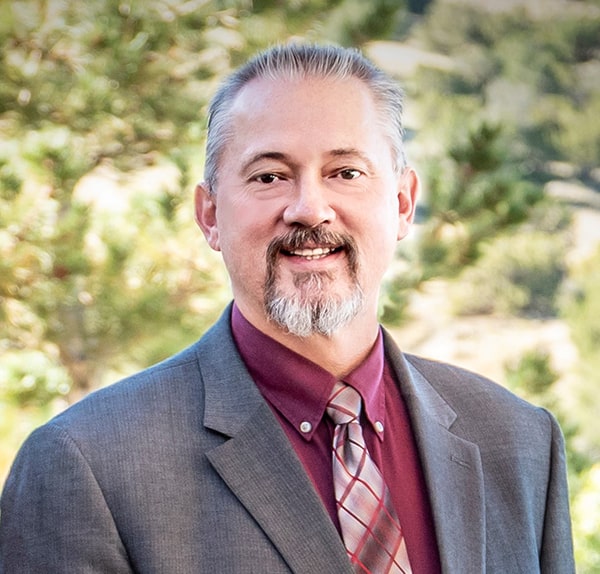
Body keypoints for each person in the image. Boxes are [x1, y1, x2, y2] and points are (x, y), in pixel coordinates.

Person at [0, 43, 574, 574]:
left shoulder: (521, 442)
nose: (309, 209)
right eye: (270, 175)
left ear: (402, 204)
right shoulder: (87, 465)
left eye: (345, 173)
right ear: (209, 216)